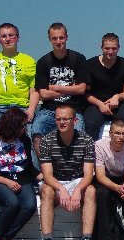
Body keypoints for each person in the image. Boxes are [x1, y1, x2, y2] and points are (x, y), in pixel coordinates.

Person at [37, 105, 97, 240]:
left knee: (91, 190)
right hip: (56, 181)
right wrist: (61, 189)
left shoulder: (87, 140)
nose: (61, 122)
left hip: (78, 180)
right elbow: (47, 175)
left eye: (65, 119)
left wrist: (77, 190)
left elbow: (88, 175)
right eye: (58, 119)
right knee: (46, 190)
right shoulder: (47, 141)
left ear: (75, 121)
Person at [0, 107, 38, 240]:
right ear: (13, 126)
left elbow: (29, 167)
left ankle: (6, 238)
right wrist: (7, 182)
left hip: (22, 178)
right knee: (12, 203)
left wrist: (46, 178)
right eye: (22, 125)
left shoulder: (24, 140)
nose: (25, 128)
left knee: (29, 205)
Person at [33, 23, 89, 153]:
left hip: (73, 108)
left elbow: (81, 89)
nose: (58, 42)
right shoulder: (43, 62)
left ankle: (76, 165)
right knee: (36, 130)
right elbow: (44, 95)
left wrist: (54, 87)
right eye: (54, 38)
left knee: (79, 133)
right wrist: (71, 88)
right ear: (49, 39)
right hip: (49, 109)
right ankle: (43, 165)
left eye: (61, 38)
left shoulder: (78, 59)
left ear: (67, 37)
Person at [0, 23, 39, 139]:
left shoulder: (29, 61)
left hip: (21, 107)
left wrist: (31, 109)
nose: (7, 39)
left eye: (11, 35)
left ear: (18, 37)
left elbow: (34, 89)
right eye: (3, 36)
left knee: (29, 140)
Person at [84, 32, 124, 140]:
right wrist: (100, 104)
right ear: (101, 47)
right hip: (95, 104)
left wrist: (117, 97)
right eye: (107, 48)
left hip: (119, 104)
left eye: (114, 48)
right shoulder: (89, 65)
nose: (110, 52)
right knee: (90, 123)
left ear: (119, 48)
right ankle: (91, 151)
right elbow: (86, 94)